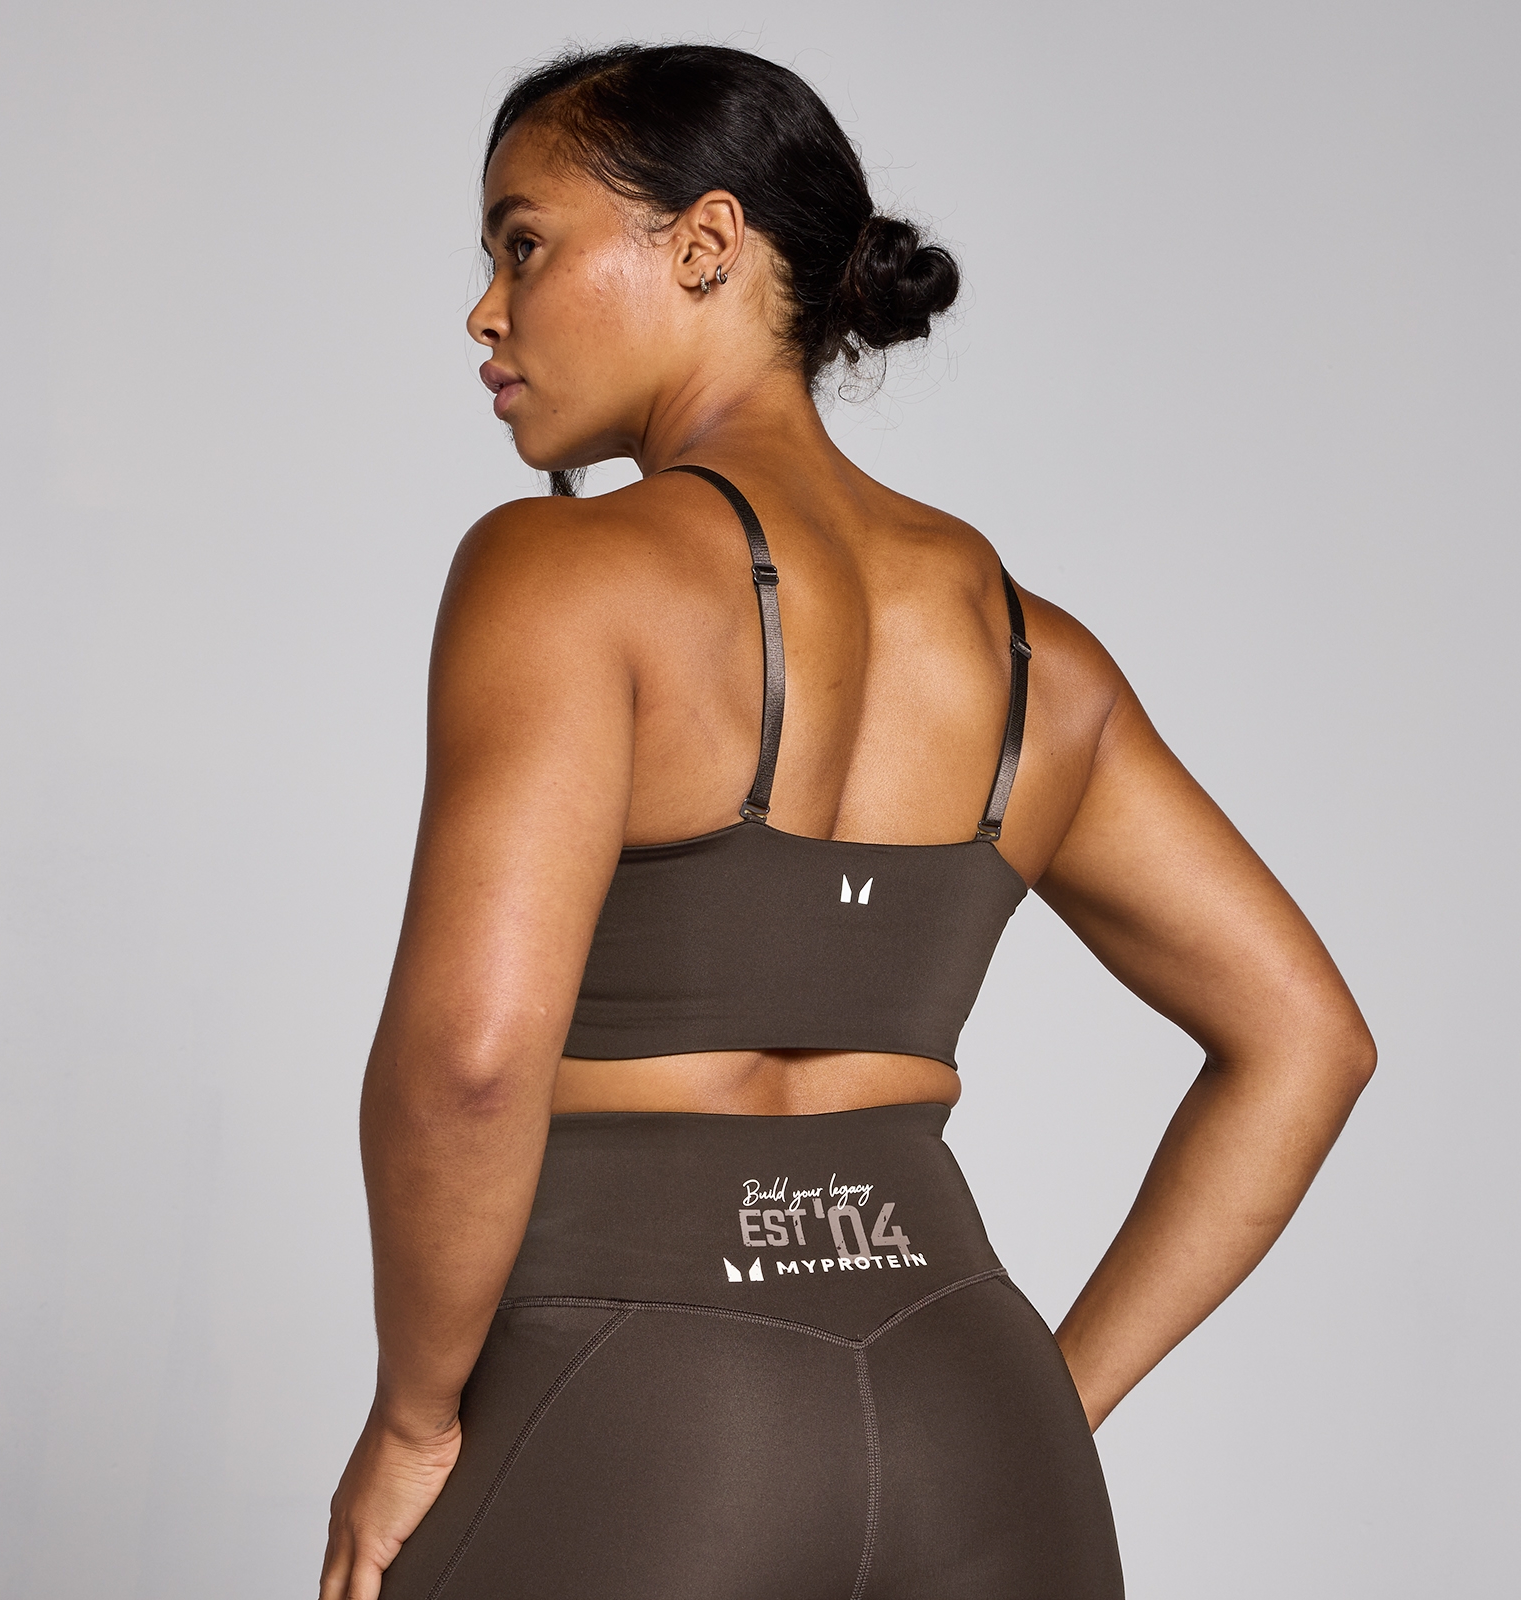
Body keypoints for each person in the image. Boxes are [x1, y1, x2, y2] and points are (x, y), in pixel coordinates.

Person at [318, 42, 1374, 1600]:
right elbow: (1310, 1040)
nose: (487, 310)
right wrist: (1043, 1413)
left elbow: (471, 1066)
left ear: (706, 244)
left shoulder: (562, 575)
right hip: (974, 1409)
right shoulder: (1041, 659)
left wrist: (413, 1423)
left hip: (639, 1413)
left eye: (522, 244)